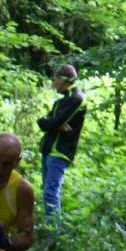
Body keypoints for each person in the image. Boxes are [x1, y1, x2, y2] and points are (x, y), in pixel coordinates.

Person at [36, 63, 86, 223]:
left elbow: (53, 122)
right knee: (46, 191)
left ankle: (54, 234)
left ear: (64, 80)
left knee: (51, 192)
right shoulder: (60, 102)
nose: (53, 82)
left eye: (55, 79)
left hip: (59, 151)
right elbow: (46, 123)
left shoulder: (77, 98)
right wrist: (53, 123)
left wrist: (54, 122)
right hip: (48, 149)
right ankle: (50, 228)